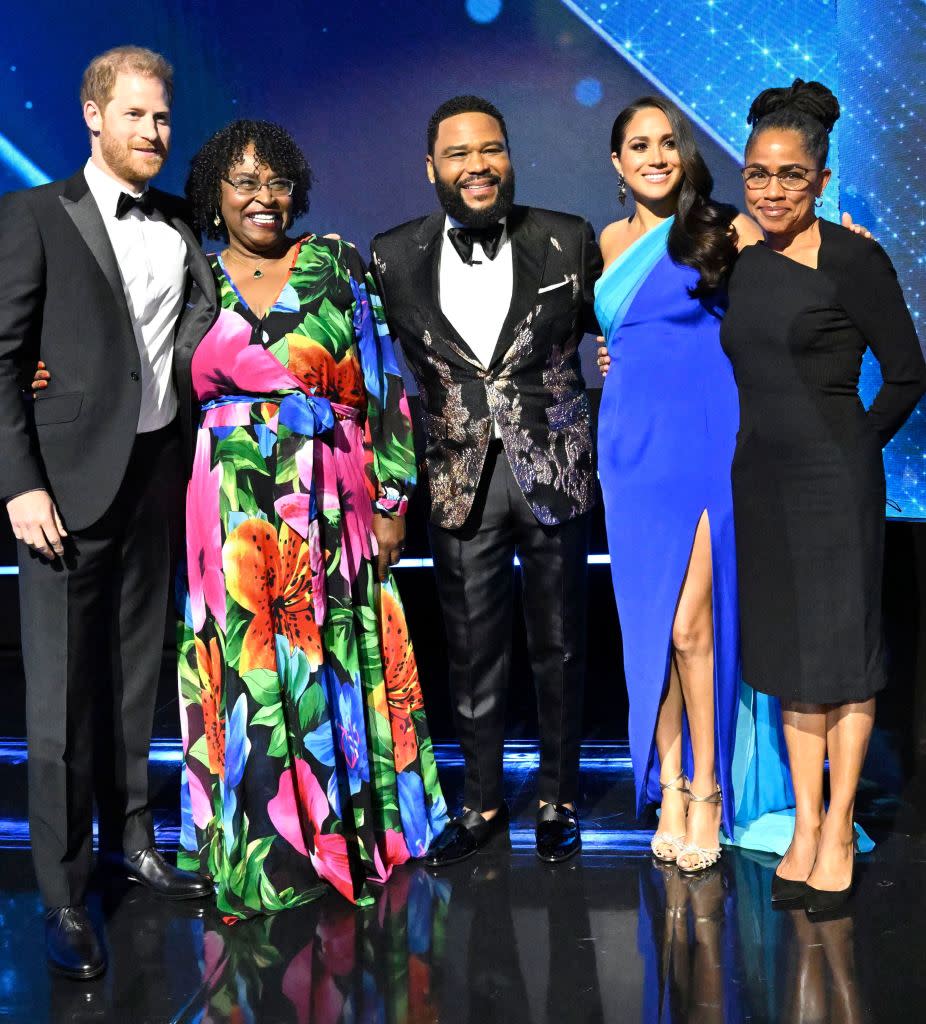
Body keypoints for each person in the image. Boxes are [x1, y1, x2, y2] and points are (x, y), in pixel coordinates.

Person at [175, 120, 448, 918]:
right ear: (214, 196)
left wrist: (393, 497)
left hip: (329, 497)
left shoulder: (334, 263)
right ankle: (261, 852)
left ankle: (344, 839)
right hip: (226, 506)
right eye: (243, 184)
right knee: (252, 672)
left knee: (329, 660)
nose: (263, 199)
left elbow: (386, 379)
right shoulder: (195, 276)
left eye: (276, 182)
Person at [0, 46, 212, 980]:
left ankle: (137, 843)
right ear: (93, 116)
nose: (153, 135)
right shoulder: (34, 214)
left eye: (162, 119)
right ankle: (62, 890)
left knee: (135, 680)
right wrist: (20, 482)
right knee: (60, 701)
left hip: (156, 477)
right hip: (62, 493)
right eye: (135, 117)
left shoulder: (177, 221)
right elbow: (2, 360)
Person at [370, 95, 602, 865]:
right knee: (470, 650)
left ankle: (560, 794)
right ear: (430, 168)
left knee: (561, 643)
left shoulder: (569, 238)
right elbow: (368, 368)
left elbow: (634, 314)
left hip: (554, 469)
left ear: (509, 156)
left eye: (492, 149)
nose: (478, 166)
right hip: (455, 476)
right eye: (460, 154)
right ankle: (478, 802)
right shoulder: (391, 255)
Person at [720, 80, 926, 913]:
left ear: (821, 179)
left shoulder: (855, 258)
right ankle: (804, 825)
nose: (771, 189)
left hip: (835, 482)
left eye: (790, 176)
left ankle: (840, 826)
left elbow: (908, 374)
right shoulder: (740, 259)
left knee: (842, 659)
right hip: (759, 479)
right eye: (758, 173)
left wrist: (854, 445)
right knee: (790, 663)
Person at [594, 95, 772, 874]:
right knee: (650, 634)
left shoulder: (724, 228)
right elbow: (622, 338)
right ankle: (667, 782)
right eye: (639, 145)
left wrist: (852, 241)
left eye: (668, 143)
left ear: (685, 154)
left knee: (689, 627)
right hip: (629, 449)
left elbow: (798, 263)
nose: (656, 156)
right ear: (617, 162)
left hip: (705, 442)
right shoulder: (607, 240)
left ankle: (706, 787)